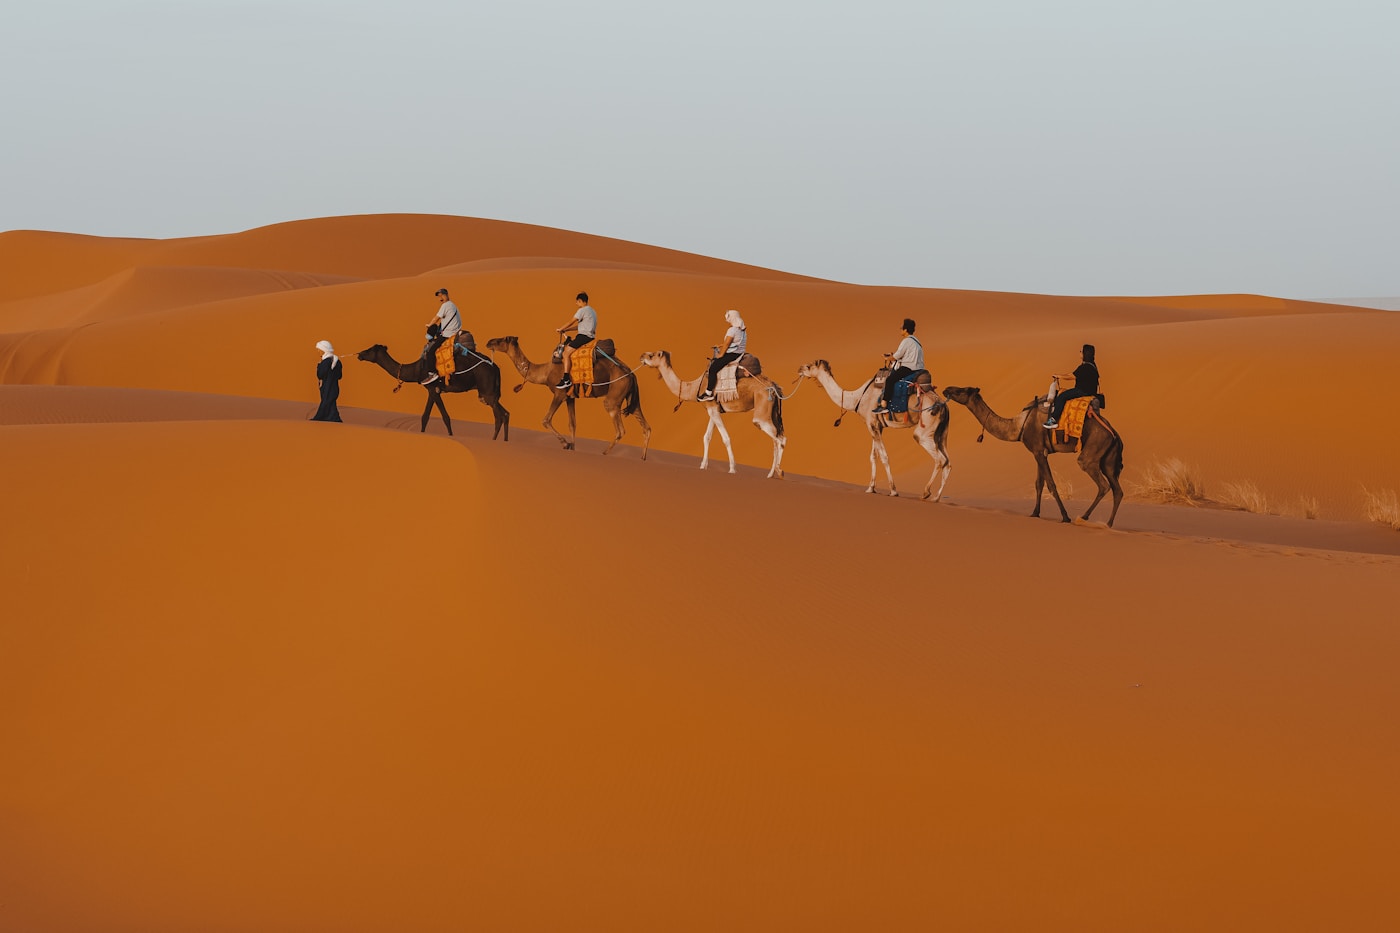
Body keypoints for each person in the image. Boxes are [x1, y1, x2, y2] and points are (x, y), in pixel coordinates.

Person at [871, 318, 922, 414]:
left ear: (905, 330)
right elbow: (905, 355)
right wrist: (893, 355)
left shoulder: (906, 341)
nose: (900, 330)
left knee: (890, 380)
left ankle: (884, 405)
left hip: (909, 368)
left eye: (901, 328)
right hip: (918, 368)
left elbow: (896, 356)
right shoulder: (916, 341)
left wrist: (887, 358)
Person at [1044, 343, 1099, 429]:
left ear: (1085, 353)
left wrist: (1059, 376)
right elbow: (1073, 374)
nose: (1080, 353)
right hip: (1089, 391)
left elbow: (1072, 376)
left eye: (1081, 351)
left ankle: (1053, 420)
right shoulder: (1092, 365)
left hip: (1082, 391)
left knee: (1062, 396)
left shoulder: (1085, 367)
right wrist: (1060, 375)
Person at [697, 309, 747, 402]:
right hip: (739, 352)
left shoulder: (732, 330)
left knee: (713, 368)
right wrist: (720, 345)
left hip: (732, 354)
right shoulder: (742, 329)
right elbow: (735, 342)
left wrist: (721, 354)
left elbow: (727, 344)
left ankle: (709, 393)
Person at [555, 292, 597, 389]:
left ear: (580, 301)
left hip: (583, 337)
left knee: (565, 353)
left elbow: (571, 321)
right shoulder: (592, 311)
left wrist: (560, 329)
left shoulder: (582, 310)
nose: (576, 304)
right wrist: (567, 329)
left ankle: (566, 379)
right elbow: (581, 326)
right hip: (590, 337)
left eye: (577, 302)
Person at [311, 340, 343, 422]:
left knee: (326, 402)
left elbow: (320, 374)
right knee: (331, 403)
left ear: (324, 350)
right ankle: (333, 418)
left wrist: (319, 366)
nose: (318, 352)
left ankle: (321, 417)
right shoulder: (337, 361)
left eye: (319, 350)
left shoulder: (325, 362)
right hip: (334, 387)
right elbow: (339, 376)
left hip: (326, 387)